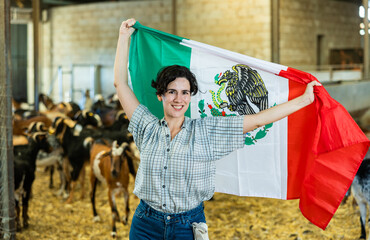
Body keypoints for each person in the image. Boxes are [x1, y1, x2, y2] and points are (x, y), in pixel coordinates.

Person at [114, 18, 321, 240]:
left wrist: (303, 101)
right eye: (172, 91)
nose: (178, 98)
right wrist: (123, 37)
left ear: (190, 96)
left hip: (187, 226)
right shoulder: (146, 126)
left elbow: (258, 120)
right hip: (145, 224)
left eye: (185, 92)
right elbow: (120, 84)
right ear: (160, 95)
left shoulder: (206, 131)